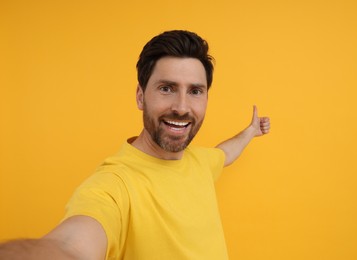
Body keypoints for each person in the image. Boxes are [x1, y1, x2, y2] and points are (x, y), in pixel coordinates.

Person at [0, 30, 270, 259]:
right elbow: (70, 245)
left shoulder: (200, 161)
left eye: (195, 91)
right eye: (167, 88)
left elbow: (225, 153)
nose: (181, 107)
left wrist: (250, 132)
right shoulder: (114, 183)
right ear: (141, 96)